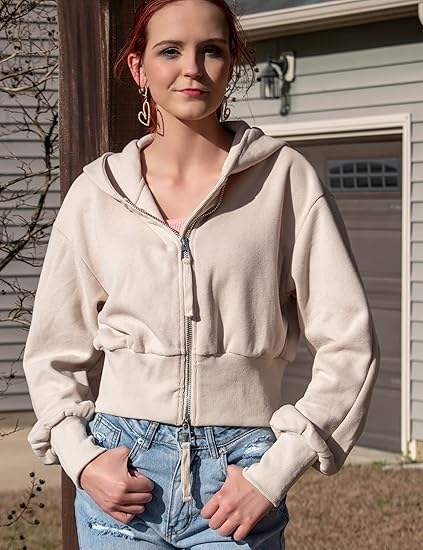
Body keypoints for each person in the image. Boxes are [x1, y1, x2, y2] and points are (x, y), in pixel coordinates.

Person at [22, 0, 381, 548]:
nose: (192, 68)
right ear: (139, 67)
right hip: (122, 473)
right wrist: (82, 459)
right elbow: (52, 351)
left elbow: (350, 343)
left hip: (238, 477)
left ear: (231, 62)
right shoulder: (97, 194)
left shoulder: (285, 180)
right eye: (170, 50)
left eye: (210, 50)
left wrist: (274, 472)